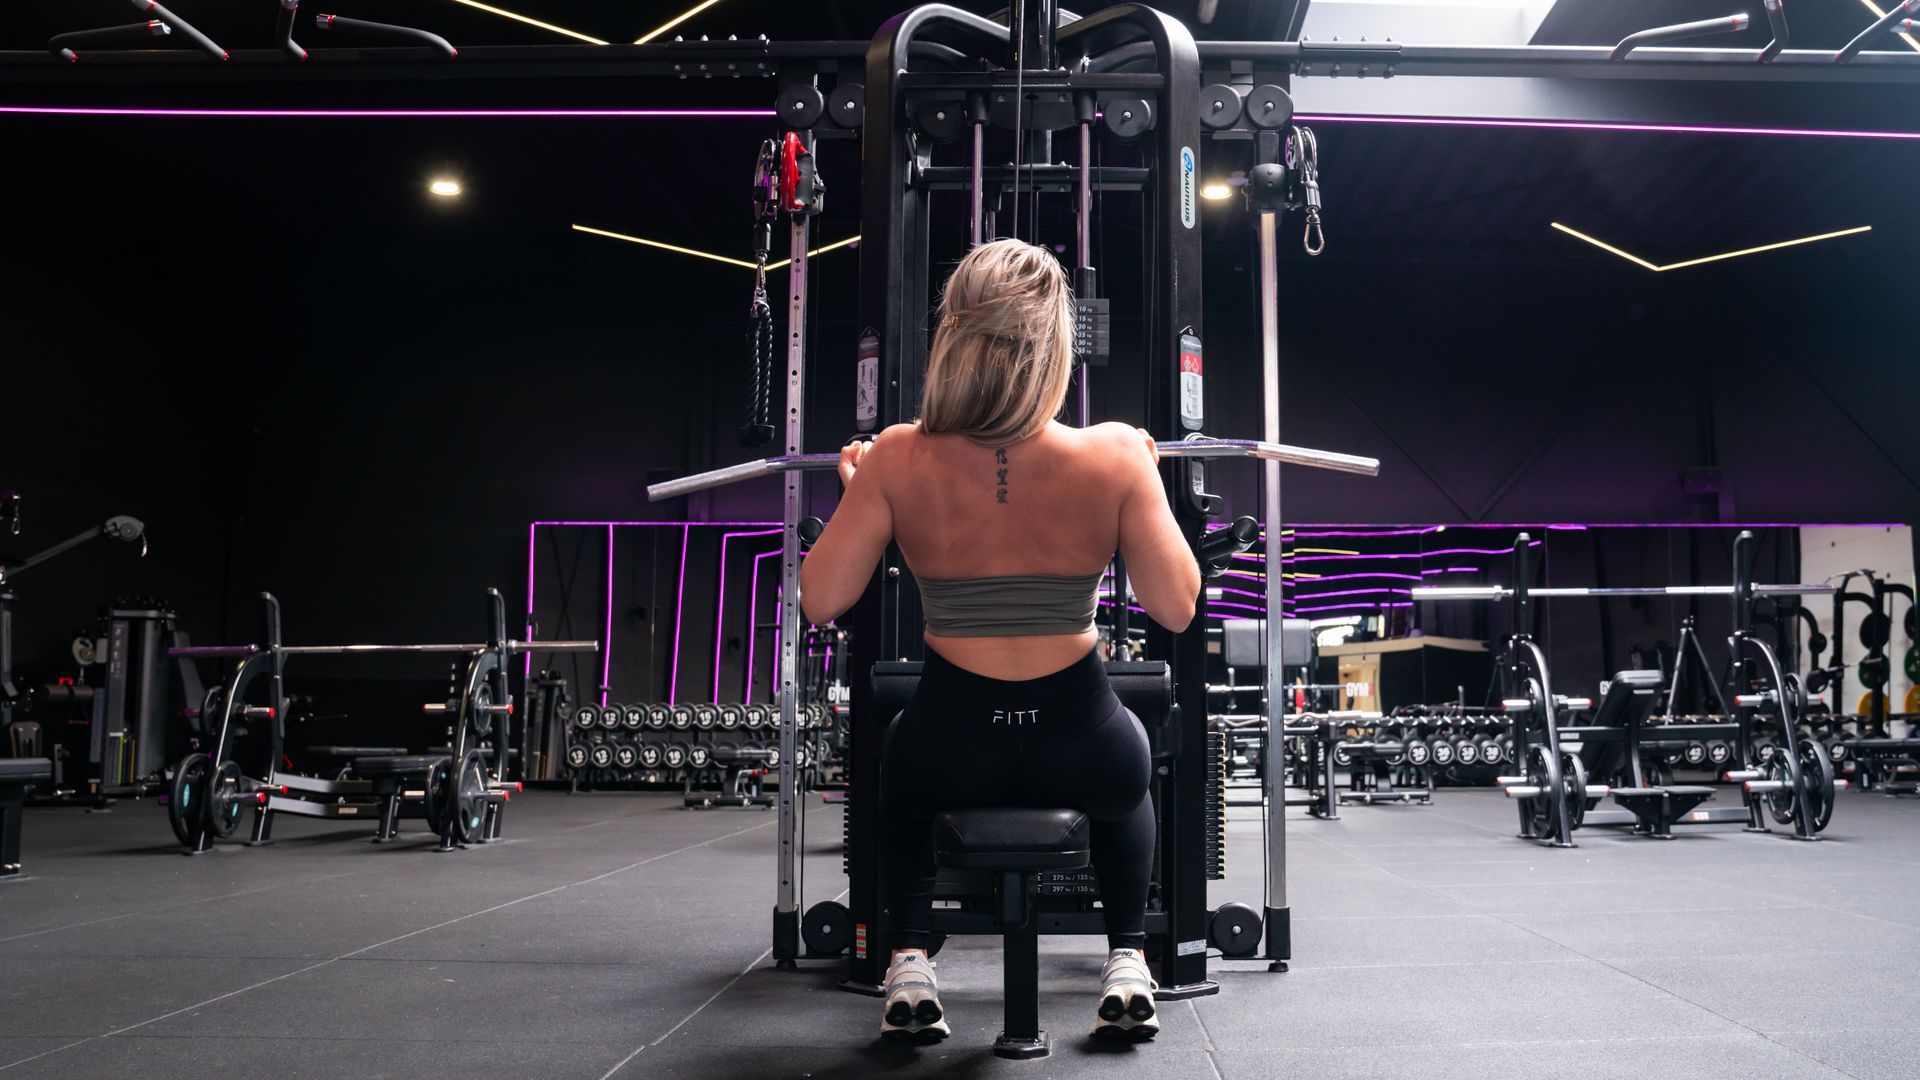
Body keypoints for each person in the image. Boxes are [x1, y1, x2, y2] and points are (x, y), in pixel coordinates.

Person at [799, 238, 1200, 1043]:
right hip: (1082, 744)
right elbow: (1176, 608)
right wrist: (1141, 488)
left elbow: (821, 600)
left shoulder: (898, 457)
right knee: (1131, 783)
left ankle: (909, 958)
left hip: (950, 745)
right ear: (1056, 346)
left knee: (899, 778)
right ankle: (1126, 956)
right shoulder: (1116, 451)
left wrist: (866, 493)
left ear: (953, 338)